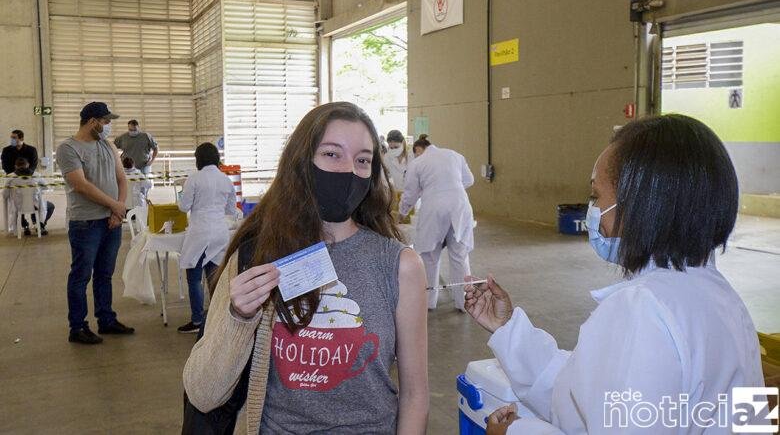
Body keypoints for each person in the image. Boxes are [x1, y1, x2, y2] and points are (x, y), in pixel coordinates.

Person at [465, 114, 765, 434]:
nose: (594, 214)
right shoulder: (725, 301)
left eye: (597, 197)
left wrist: (511, 433)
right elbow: (585, 390)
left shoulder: (643, 310)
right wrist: (507, 328)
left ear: (642, 203)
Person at [183, 102, 429, 434]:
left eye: (362, 160)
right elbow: (204, 394)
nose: (347, 170)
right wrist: (238, 318)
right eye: (331, 154)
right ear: (302, 162)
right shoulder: (256, 256)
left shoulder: (399, 264)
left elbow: (415, 394)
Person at [56, 101, 135, 345]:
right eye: (106, 122)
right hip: (85, 223)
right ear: (93, 122)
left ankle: (106, 319)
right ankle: (77, 326)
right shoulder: (68, 149)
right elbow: (81, 185)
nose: (108, 126)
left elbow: (122, 179)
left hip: (110, 221)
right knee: (81, 275)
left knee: (105, 273)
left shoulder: (108, 146)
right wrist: (115, 206)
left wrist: (117, 210)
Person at [400, 134, 475, 311]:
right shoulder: (455, 155)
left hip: (433, 209)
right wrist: (449, 188)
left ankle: (429, 302)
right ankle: (464, 302)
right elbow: (470, 180)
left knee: (430, 256)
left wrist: (402, 212)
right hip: (460, 206)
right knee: (459, 256)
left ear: (418, 149)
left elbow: (410, 193)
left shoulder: (418, 163)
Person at [176, 142, 237, 334]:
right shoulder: (226, 180)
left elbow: (184, 207)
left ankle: (196, 320)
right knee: (215, 278)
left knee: (194, 278)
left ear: (198, 159)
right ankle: (217, 318)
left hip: (199, 232)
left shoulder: (194, 179)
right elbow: (231, 210)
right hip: (220, 232)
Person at [2, 157, 54, 236]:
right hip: (34, 205)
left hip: (18, 206)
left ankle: (25, 226)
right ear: (28, 165)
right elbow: (46, 187)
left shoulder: (10, 177)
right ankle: (39, 224)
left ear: (15, 166)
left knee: (17, 209)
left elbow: (4, 194)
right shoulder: (36, 175)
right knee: (50, 206)